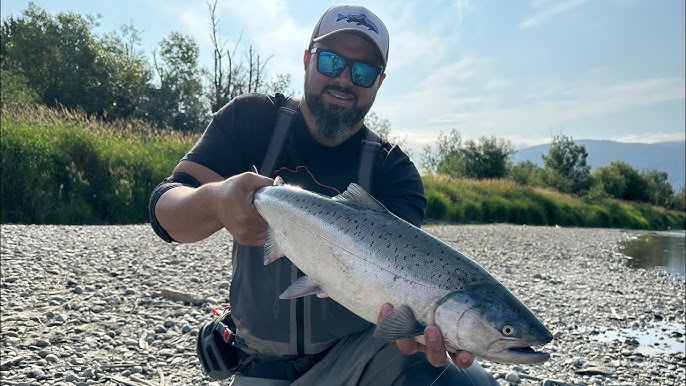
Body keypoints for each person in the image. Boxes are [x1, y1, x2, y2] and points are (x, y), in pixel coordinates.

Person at [149, 4, 499, 385]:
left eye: (363, 71)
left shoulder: (393, 171)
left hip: (359, 352)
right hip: (261, 361)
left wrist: (421, 327)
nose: (345, 79)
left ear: (379, 82)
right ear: (306, 60)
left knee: (462, 381)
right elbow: (166, 211)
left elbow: (402, 283)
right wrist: (216, 200)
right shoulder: (251, 121)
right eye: (331, 62)